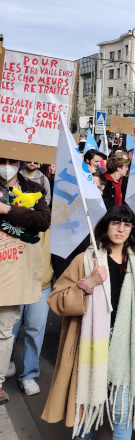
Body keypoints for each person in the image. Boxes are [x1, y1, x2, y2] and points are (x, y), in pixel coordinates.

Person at [41, 206, 135, 439]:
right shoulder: (86, 260)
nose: (121, 229)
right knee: (86, 409)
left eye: (127, 224)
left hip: (127, 341)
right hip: (93, 342)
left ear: (132, 229)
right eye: (115, 223)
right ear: (105, 226)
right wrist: (88, 282)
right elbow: (56, 299)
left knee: (123, 410)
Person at [0, 156, 51, 405]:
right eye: (2, 160)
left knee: (19, 330)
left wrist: (7, 209)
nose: (7, 165)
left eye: (11, 160)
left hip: (26, 274)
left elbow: (41, 221)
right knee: (5, 331)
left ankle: (16, 377)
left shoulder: (35, 190)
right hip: (5, 271)